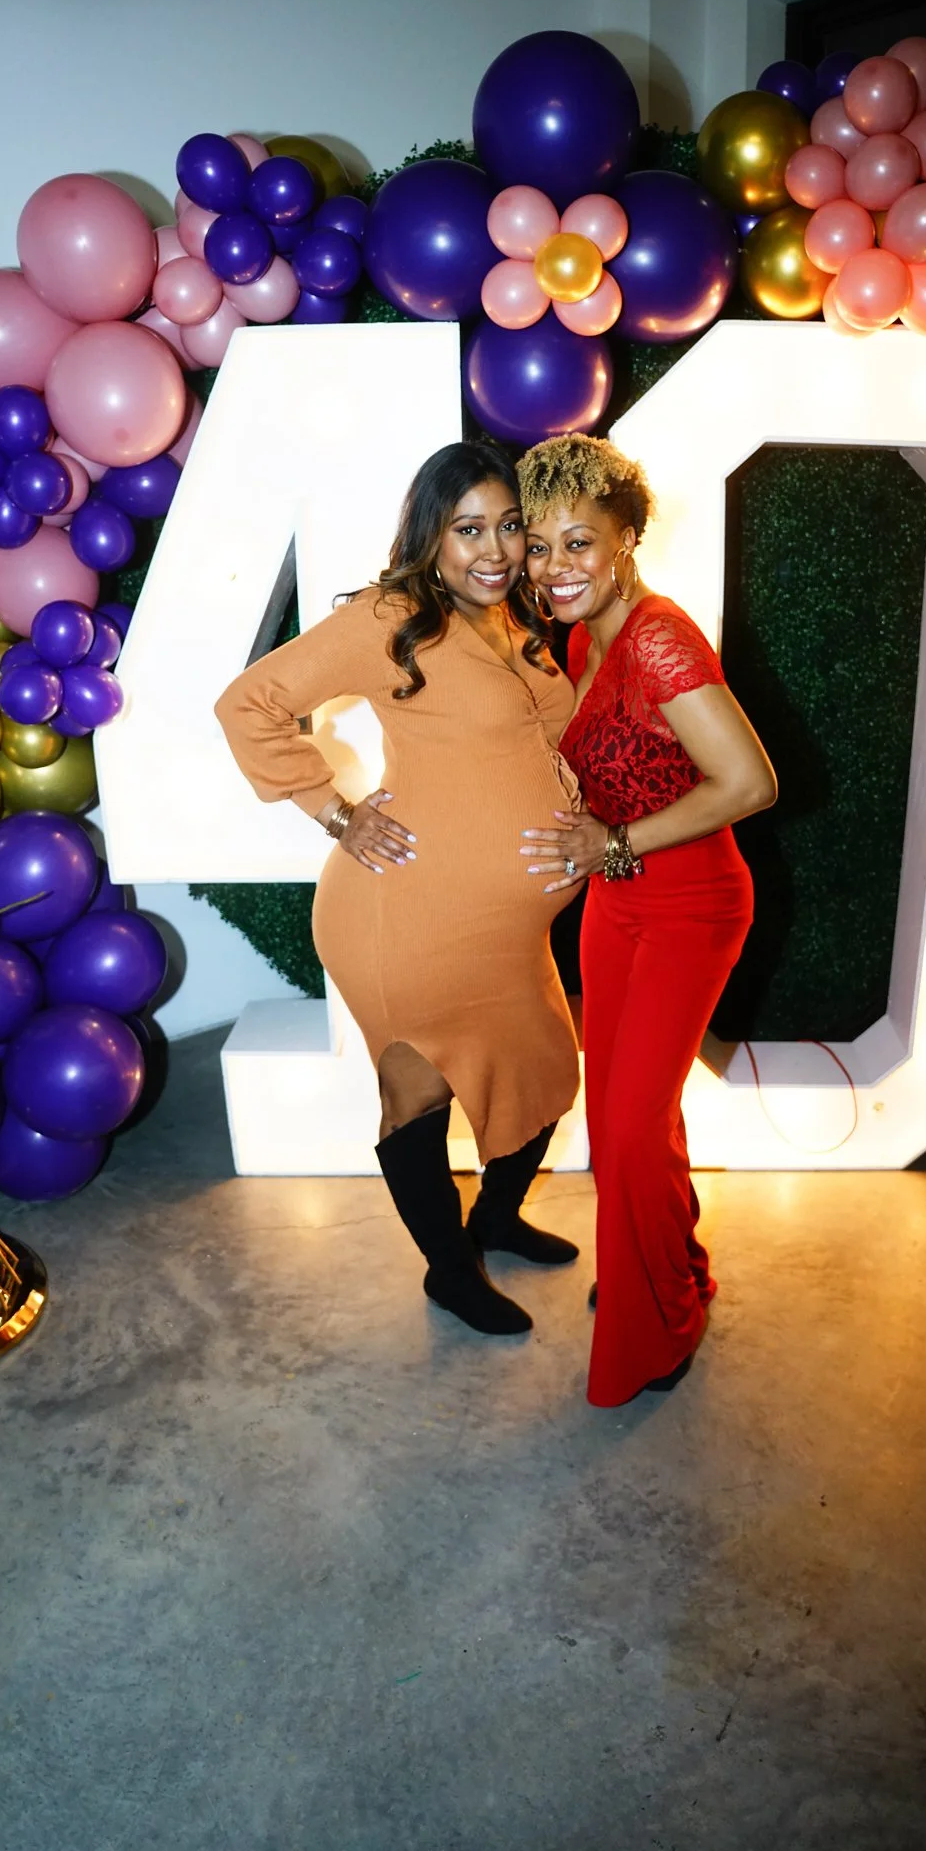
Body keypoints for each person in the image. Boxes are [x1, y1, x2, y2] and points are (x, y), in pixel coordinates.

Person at [216, 440, 582, 1339]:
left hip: (503, 934)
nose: (494, 550)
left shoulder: (517, 620)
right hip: (403, 918)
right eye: (469, 529)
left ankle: (494, 1221)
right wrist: (334, 812)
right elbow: (248, 702)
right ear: (431, 534)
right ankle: (449, 1273)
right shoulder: (393, 617)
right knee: (418, 1094)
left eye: (509, 527)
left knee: (542, 1067)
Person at [517, 434, 777, 1407]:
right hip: (616, 902)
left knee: (628, 1129)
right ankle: (666, 1263)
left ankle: (662, 1321)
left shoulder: (660, 639)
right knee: (626, 1117)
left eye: (578, 542)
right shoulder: (586, 634)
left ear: (626, 536)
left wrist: (614, 840)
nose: (554, 567)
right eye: (538, 546)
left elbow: (749, 782)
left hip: (688, 906)